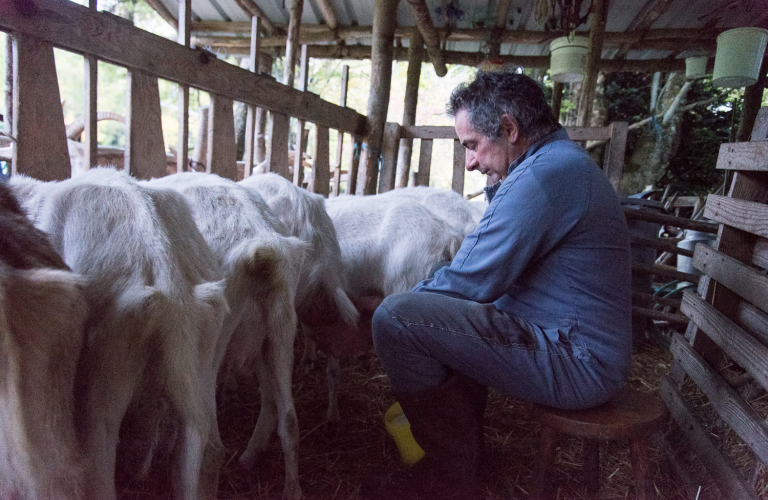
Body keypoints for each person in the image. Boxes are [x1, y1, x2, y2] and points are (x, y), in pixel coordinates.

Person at [363, 72, 632, 500]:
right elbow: (471, 274)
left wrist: (374, 310)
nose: (470, 162)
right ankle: (468, 458)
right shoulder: (557, 164)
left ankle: (446, 482)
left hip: (578, 362)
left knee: (396, 319)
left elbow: (470, 280)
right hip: (570, 343)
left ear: (509, 129)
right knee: (432, 289)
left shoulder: (544, 177)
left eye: (472, 145)